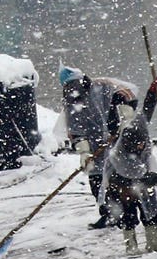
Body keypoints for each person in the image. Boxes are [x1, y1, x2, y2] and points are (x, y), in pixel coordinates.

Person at [99, 77, 157, 254]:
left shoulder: (135, 126)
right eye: (139, 145)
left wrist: (153, 92)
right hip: (122, 183)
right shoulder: (122, 154)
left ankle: (154, 242)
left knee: (151, 208)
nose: (143, 146)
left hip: (137, 182)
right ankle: (131, 246)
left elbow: (146, 112)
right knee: (128, 214)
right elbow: (142, 177)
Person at [57, 66, 139, 225]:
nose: (72, 90)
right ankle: (108, 213)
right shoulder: (71, 100)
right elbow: (74, 128)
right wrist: (83, 151)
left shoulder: (103, 85)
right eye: (68, 87)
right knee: (96, 178)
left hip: (114, 139)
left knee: (117, 178)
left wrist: (125, 117)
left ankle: (123, 212)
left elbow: (127, 94)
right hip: (94, 145)